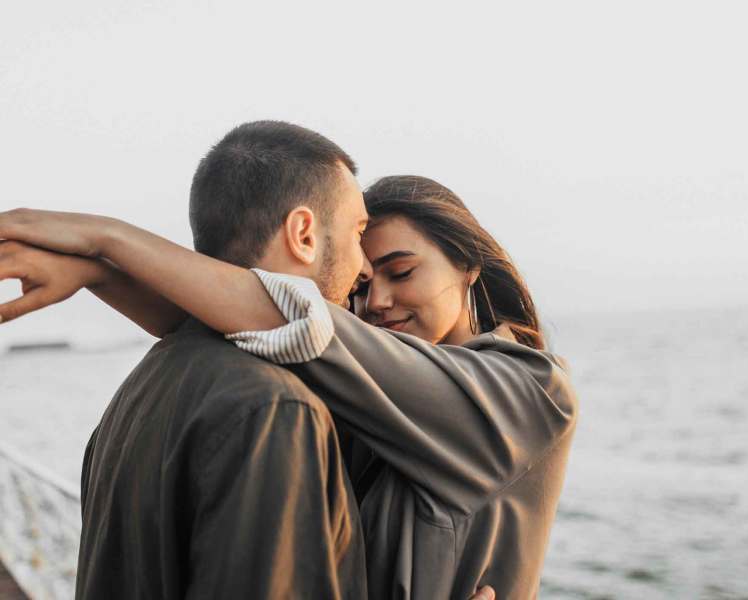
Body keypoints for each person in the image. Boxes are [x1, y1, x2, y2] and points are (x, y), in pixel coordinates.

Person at [0, 139, 576, 600]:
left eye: (401, 273)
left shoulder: (529, 391)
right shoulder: (348, 390)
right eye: (364, 282)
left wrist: (106, 242)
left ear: (469, 266)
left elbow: (297, 319)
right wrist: (98, 272)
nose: (373, 302)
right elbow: (227, 321)